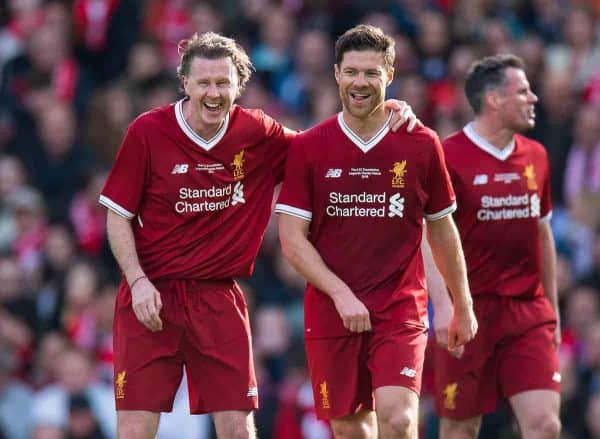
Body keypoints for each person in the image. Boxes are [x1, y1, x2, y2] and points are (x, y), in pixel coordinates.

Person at [98, 31, 419, 439]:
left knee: (237, 427)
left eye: (223, 83)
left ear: (238, 86)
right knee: (135, 428)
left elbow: (322, 151)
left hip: (217, 297)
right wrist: (138, 280)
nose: (213, 93)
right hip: (151, 296)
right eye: (204, 83)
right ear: (185, 84)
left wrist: (381, 111)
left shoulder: (257, 132)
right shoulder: (148, 132)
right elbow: (116, 215)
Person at [276, 24, 477, 439]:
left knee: (400, 419)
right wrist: (340, 293)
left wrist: (463, 303)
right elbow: (292, 241)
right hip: (333, 308)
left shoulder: (420, 143)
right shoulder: (310, 147)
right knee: (351, 430)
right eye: (351, 72)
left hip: (399, 305)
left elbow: (442, 230)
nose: (360, 82)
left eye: (371, 72)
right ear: (336, 75)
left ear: (390, 75)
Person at [424, 54, 561, 439]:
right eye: (523, 91)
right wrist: (445, 307)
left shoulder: (536, 156)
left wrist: (552, 310)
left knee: (546, 425)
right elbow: (428, 234)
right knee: (460, 429)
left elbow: (543, 233)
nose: (533, 98)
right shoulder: (447, 156)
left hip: (527, 312)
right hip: (470, 313)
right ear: (494, 100)